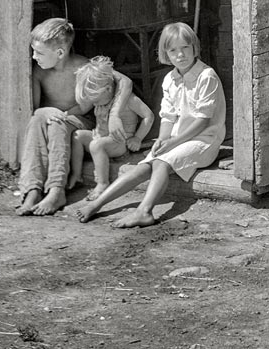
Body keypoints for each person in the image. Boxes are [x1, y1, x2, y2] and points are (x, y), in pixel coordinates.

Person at [77, 22, 225, 229]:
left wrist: (173, 142)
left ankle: (144, 211)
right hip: (176, 140)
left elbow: (203, 120)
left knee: (161, 163)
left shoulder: (206, 76)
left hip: (203, 140)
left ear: (194, 47)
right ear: (166, 53)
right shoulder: (170, 79)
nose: (180, 54)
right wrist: (163, 139)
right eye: (173, 50)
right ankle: (97, 204)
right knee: (144, 166)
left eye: (185, 48)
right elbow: (168, 117)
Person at [17, 18, 133, 216]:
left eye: (39, 52)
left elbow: (125, 81)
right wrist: (48, 112)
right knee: (38, 119)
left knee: (56, 124)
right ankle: (33, 189)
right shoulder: (39, 73)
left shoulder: (82, 67)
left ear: (60, 53)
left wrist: (114, 114)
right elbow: (35, 110)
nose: (34, 57)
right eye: (33, 51)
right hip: (53, 119)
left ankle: (56, 189)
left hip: (82, 119)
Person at [68, 55, 155, 199]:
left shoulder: (128, 99)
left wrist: (137, 138)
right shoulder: (100, 99)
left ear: (108, 88)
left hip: (119, 142)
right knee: (77, 136)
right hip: (102, 139)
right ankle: (77, 175)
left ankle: (102, 183)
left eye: (96, 100)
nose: (94, 105)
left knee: (96, 146)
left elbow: (148, 116)